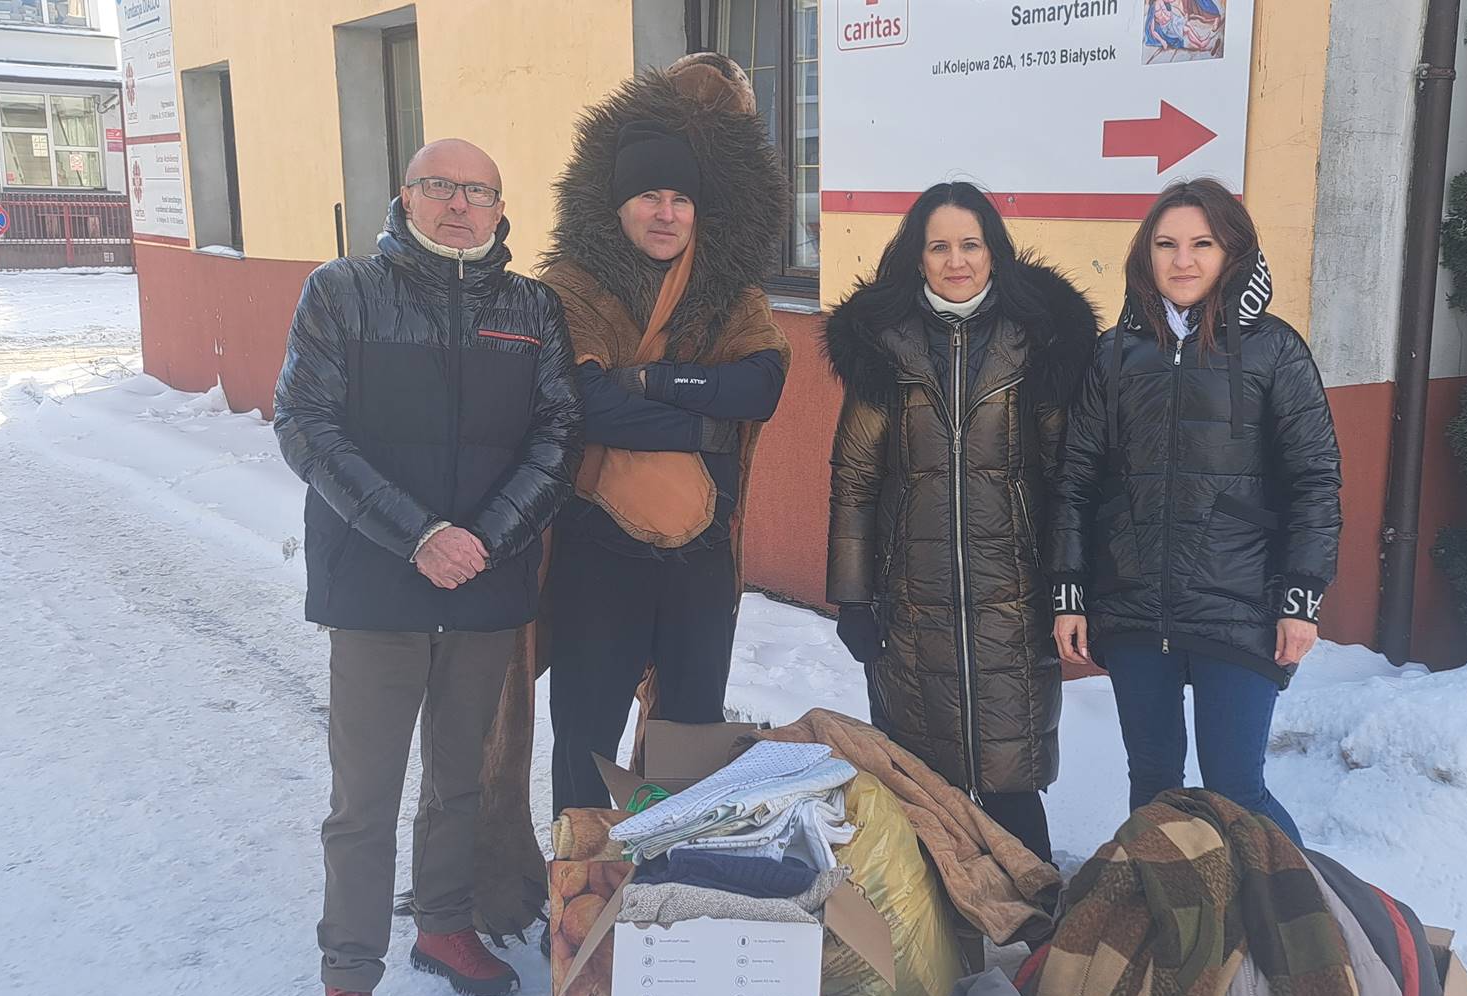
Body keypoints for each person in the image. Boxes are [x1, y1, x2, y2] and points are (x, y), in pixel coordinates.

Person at [462, 55, 792, 948]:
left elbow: (762, 386)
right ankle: (580, 905)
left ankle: (664, 902)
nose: (666, 213)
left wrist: (649, 382)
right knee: (587, 736)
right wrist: (703, 417)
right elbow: (584, 402)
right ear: (618, 205)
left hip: (700, 557)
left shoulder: (730, 294)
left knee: (688, 737)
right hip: (597, 552)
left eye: (681, 199)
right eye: (650, 196)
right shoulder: (574, 287)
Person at [274, 138, 584, 996]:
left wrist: (483, 537)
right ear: (405, 196)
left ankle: (445, 924)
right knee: (363, 799)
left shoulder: (531, 309)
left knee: (460, 780)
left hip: (485, 580)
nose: (459, 205)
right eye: (440, 187)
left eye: (477, 191)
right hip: (377, 586)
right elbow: (306, 425)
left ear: (500, 208)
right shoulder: (343, 292)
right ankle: (348, 981)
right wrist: (419, 535)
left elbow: (559, 432)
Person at [1047, 178, 1342, 846]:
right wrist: (1069, 591)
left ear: (1232, 252)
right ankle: (1165, 907)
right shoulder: (1114, 355)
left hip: (1239, 605)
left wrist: (1302, 597)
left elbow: (1314, 480)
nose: (1182, 260)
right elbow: (1077, 480)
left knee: (1237, 790)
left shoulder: (1274, 349)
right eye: (1166, 244)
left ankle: (1303, 907)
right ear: (1145, 254)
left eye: (1201, 244)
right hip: (1134, 605)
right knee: (1154, 783)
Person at [824, 182, 1097, 864]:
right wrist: (852, 599)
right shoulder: (885, 346)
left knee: (1012, 777)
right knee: (922, 788)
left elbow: (1070, 479)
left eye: (970, 245)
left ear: (994, 251)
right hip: (913, 602)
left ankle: (1032, 913)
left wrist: (1069, 582)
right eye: (938, 246)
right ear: (917, 257)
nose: (956, 261)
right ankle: (943, 920)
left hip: (1014, 598)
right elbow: (855, 478)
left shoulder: (1035, 340)